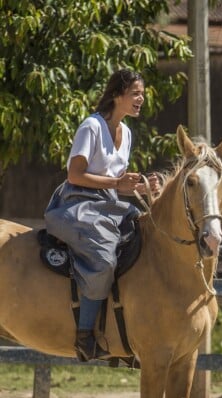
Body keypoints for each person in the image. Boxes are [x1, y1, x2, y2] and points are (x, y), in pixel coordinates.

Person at [44, 69, 160, 362]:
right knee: (105, 259)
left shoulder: (128, 133)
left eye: (142, 94)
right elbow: (76, 175)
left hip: (107, 204)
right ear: (117, 95)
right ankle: (85, 335)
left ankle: (123, 331)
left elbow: (115, 179)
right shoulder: (91, 127)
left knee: (141, 240)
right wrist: (117, 185)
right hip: (77, 203)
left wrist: (144, 184)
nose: (141, 99)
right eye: (135, 93)